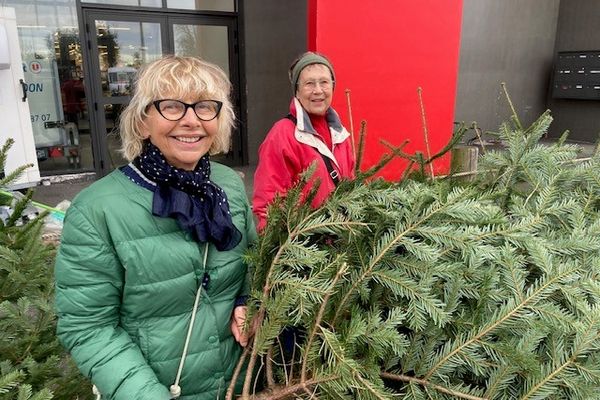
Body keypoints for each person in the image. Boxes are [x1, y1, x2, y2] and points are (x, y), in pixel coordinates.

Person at [54, 55, 257, 400]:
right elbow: (88, 327)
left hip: (242, 384)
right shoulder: (97, 210)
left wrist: (249, 299)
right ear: (143, 122)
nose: (191, 121)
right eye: (172, 106)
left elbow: (253, 261)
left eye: (206, 107)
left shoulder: (229, 185)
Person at [252, 52, 355, 230]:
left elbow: (352, 188)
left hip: (340, 242)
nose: (318, 90)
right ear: (297, 92)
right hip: (305, 246)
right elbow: (268, 204)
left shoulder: (340, 134)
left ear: (332, 86)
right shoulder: (282, 135)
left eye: (324, 82)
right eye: (309, 84)